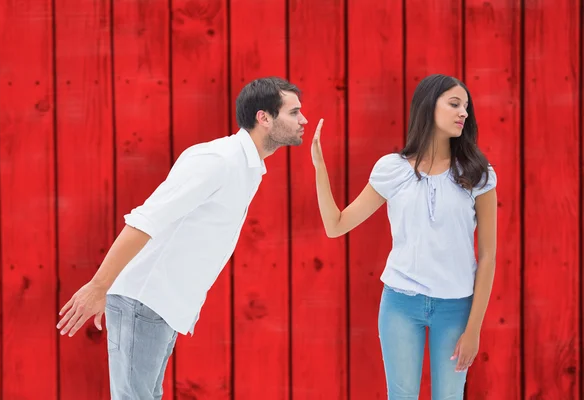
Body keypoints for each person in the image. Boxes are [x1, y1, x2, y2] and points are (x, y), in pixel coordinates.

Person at [56, 77, 308, 399]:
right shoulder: (219, 160)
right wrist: (99, 286)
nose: (303, 120)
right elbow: (146, 219)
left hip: (162, 307)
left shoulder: (246, 166)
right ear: (264, 117)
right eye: (294, 112)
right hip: (144, 300)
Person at [311, 74, 497, 399]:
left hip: (456, 308)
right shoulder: (392, 170)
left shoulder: (478, 174)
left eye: (466, 106)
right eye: (454, 104)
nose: (463, 113)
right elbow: (336, 224)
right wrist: (319, 168)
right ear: (428, 107)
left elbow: (488, 256)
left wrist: (474, 329)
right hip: (399, 304)